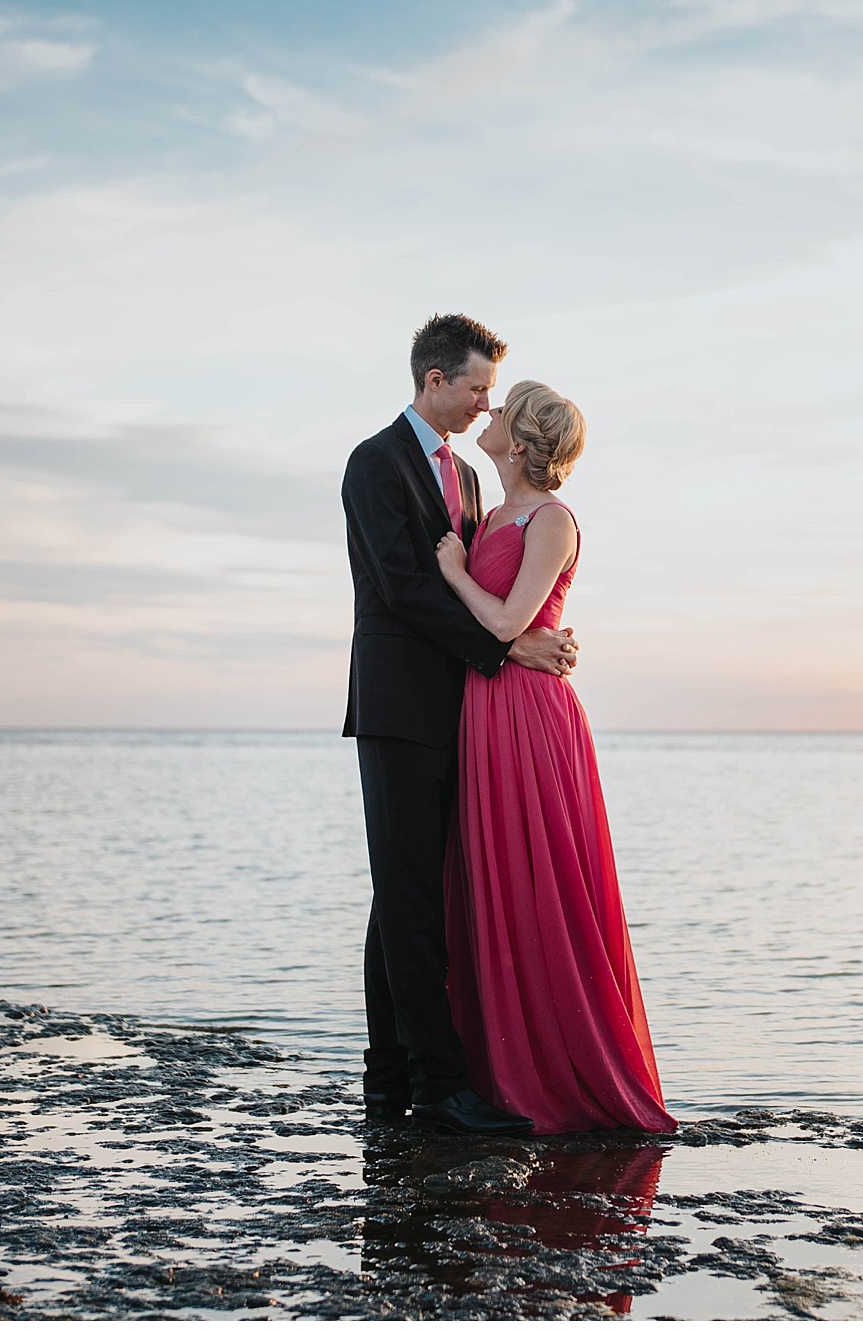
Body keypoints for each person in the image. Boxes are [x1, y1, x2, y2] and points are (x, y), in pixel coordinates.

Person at [341, 314, 579, 1136]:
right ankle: (438, 1085)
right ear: (434, 379)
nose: (486, 403)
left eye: (492, 391)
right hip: (400, 709)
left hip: (468, 713)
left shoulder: (471, 482)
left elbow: (481, 588)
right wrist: (512, 651)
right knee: (406, 897)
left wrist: (526, 636)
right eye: (477, 386)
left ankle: (390, 1080)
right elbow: (407, 591)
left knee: (411, 898)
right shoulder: (374, 464)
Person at [433, 381, 677, 1135]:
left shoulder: (552, 520)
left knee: (541, 882)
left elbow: (508, 617)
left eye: (503, 410)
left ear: (523, 438)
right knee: (489, 879)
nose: (489, 414)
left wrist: (454, 574)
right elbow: (502, 629)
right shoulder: (488, 509)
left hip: (531, 717)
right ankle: (488, 1066)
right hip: (486, 705)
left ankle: (563, 1069)